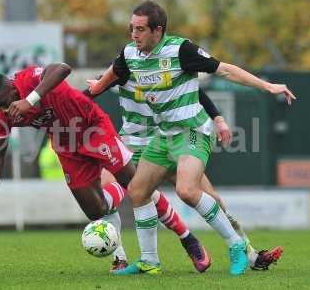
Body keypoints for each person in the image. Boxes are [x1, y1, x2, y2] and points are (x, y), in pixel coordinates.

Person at [87, 0, 295, 276]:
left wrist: (267, 86)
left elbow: (224, 70)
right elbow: (113, 70)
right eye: (131, 28)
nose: (133, 34)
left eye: (139, 29)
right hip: (160, 137)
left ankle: (240, 246)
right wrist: (99, 86)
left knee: (190, 191)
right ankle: (149, 261)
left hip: (191, 132)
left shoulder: (180, 49)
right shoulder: (130, 55)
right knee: (137, 192)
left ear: (157, 30)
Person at [0, 63, 208, 273]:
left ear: (12, 88)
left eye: (4, 103)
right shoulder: (3, 115)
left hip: (93, 128)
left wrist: (31, 99)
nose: (4, 110)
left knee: (138, 187)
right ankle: (120, 257)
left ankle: (187, 238)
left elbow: (62, 68)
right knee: (95, 211)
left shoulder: (28, 79)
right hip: (65, 145)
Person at [92, 76, 283, 271]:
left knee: (206, 196)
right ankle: (120, 258)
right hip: (131, 144)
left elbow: (195, 93)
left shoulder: (164, 64)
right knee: (106, 191)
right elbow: (94, 88)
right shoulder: (126, 63)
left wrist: (218, 118)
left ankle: (249, 252)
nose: (136, 44)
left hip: (166, 140)